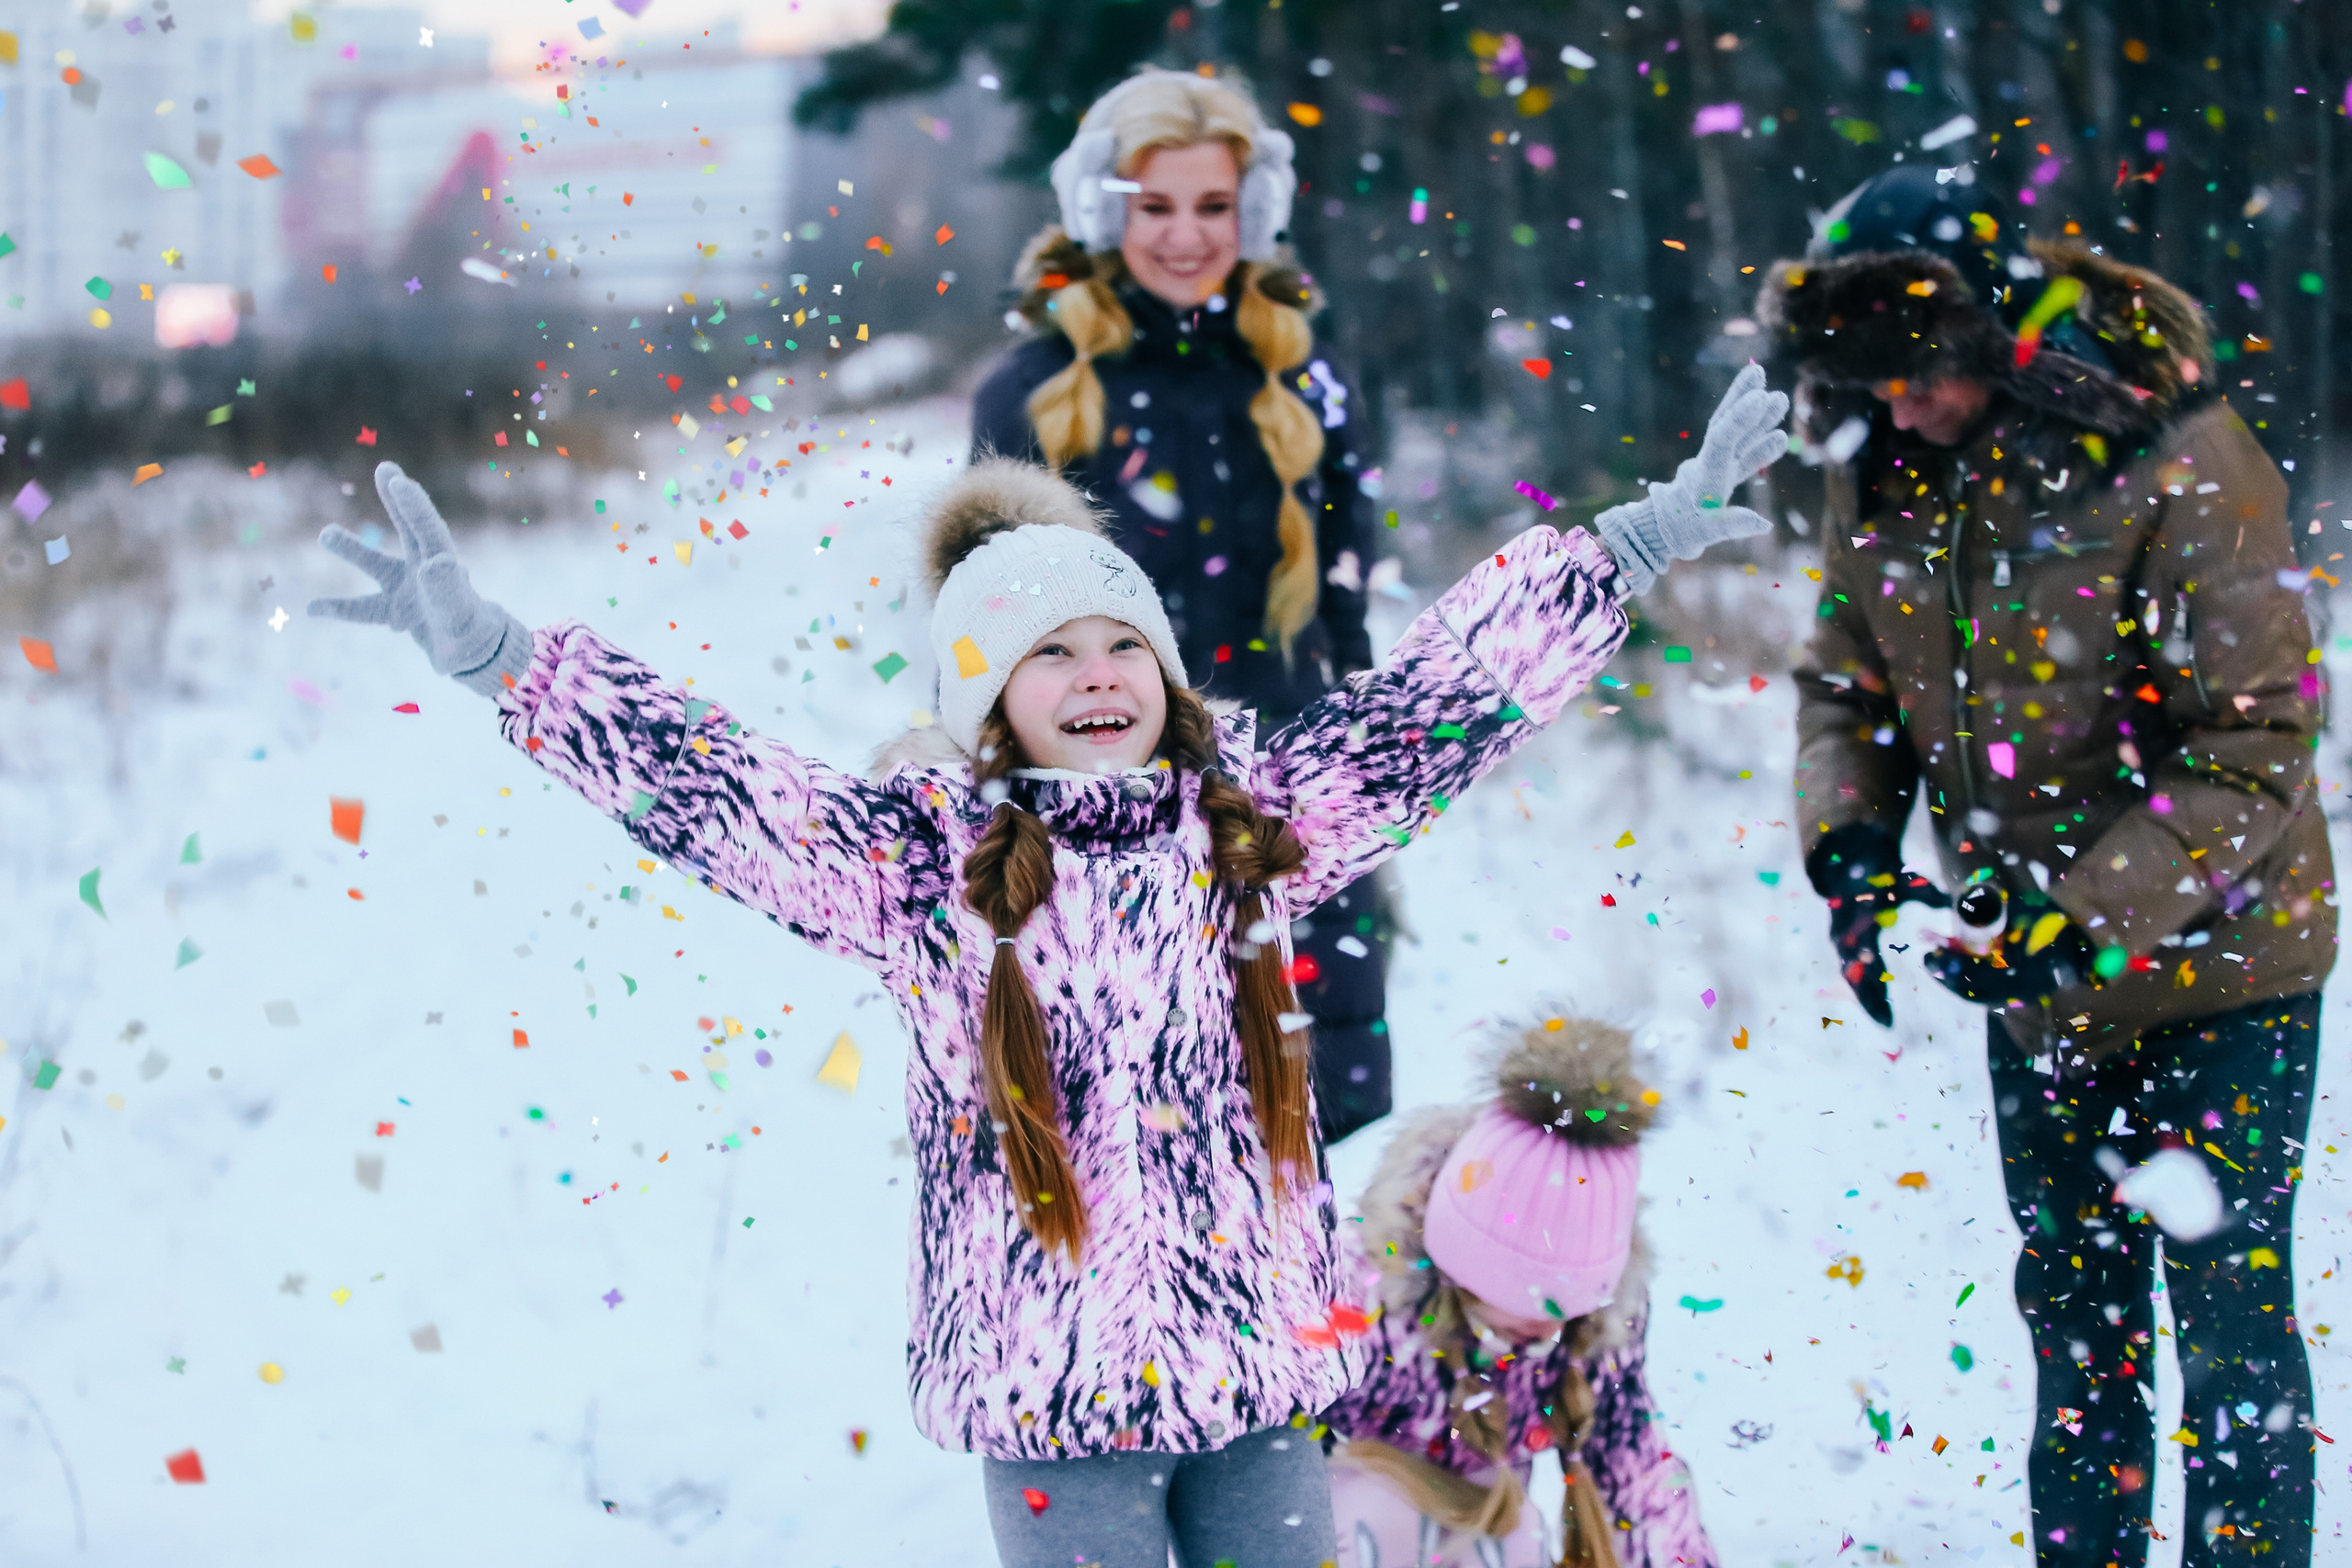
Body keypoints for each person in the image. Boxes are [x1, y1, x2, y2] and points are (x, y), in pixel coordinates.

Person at [304, 359, 1782, 1566]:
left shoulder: (1252, 826)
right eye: (1049, 655)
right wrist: (507, 658)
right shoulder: (913, 867)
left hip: (1261, 1374)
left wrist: (1631, 543)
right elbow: (719, 792)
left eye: (1119, 645)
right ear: (986, 699)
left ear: (1164, 671)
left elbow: (1432, 705)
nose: (1094, 676)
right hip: (1048, 1395)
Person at [1761, 165, 2332, 1567]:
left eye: (1912, 373)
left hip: (2224, 978)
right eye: (1867, 383)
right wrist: (1852, 859)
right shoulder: (1886, 471)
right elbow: (1850, 692)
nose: (1895, 406)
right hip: (2036, 986)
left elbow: (2256, 738)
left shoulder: (2180, 458)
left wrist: (2084, 917)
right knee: (2080, 1342)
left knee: (2230, 1333)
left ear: (1986, 337)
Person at [968, 68, 1395, 1143]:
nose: (1185, 238)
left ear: (1253, 217)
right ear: (1103, 212)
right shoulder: (1027, 392)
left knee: (1304, 1154)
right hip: (1094, 848)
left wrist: (1352, 808)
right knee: (1119, 1179)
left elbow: (1347, 630)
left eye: (1213, 207)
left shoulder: (1308, 383)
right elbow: (978, 654)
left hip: (1277, 821)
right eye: (1154, 207)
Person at [1320, 1014, 1716, 1568]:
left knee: (1515, 1537)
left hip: (1491, 1519)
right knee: (1367, 1511)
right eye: (1521, 1304)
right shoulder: (1365, 1301)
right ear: (1459, 1265)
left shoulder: (1595, 1335)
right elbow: (1275, 1426)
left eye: (1568, 1307)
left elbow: (1637, 1474)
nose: (1546, 1329)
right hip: (1356, 1498)